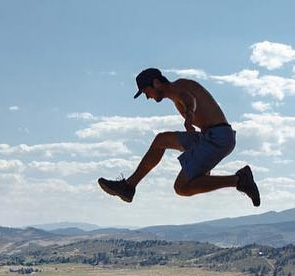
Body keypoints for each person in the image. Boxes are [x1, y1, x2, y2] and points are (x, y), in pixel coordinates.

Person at [98, 68, 260, 206]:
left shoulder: (178, 87)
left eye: (146, 91)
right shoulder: (175, 92)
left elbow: (190, 100)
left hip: (218, 138)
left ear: (156, 83)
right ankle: (129, 186)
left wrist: (189, 117)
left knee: (181, 188)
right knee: (161, 141)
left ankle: (238, 180)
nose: (148, 97)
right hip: (209, 136)